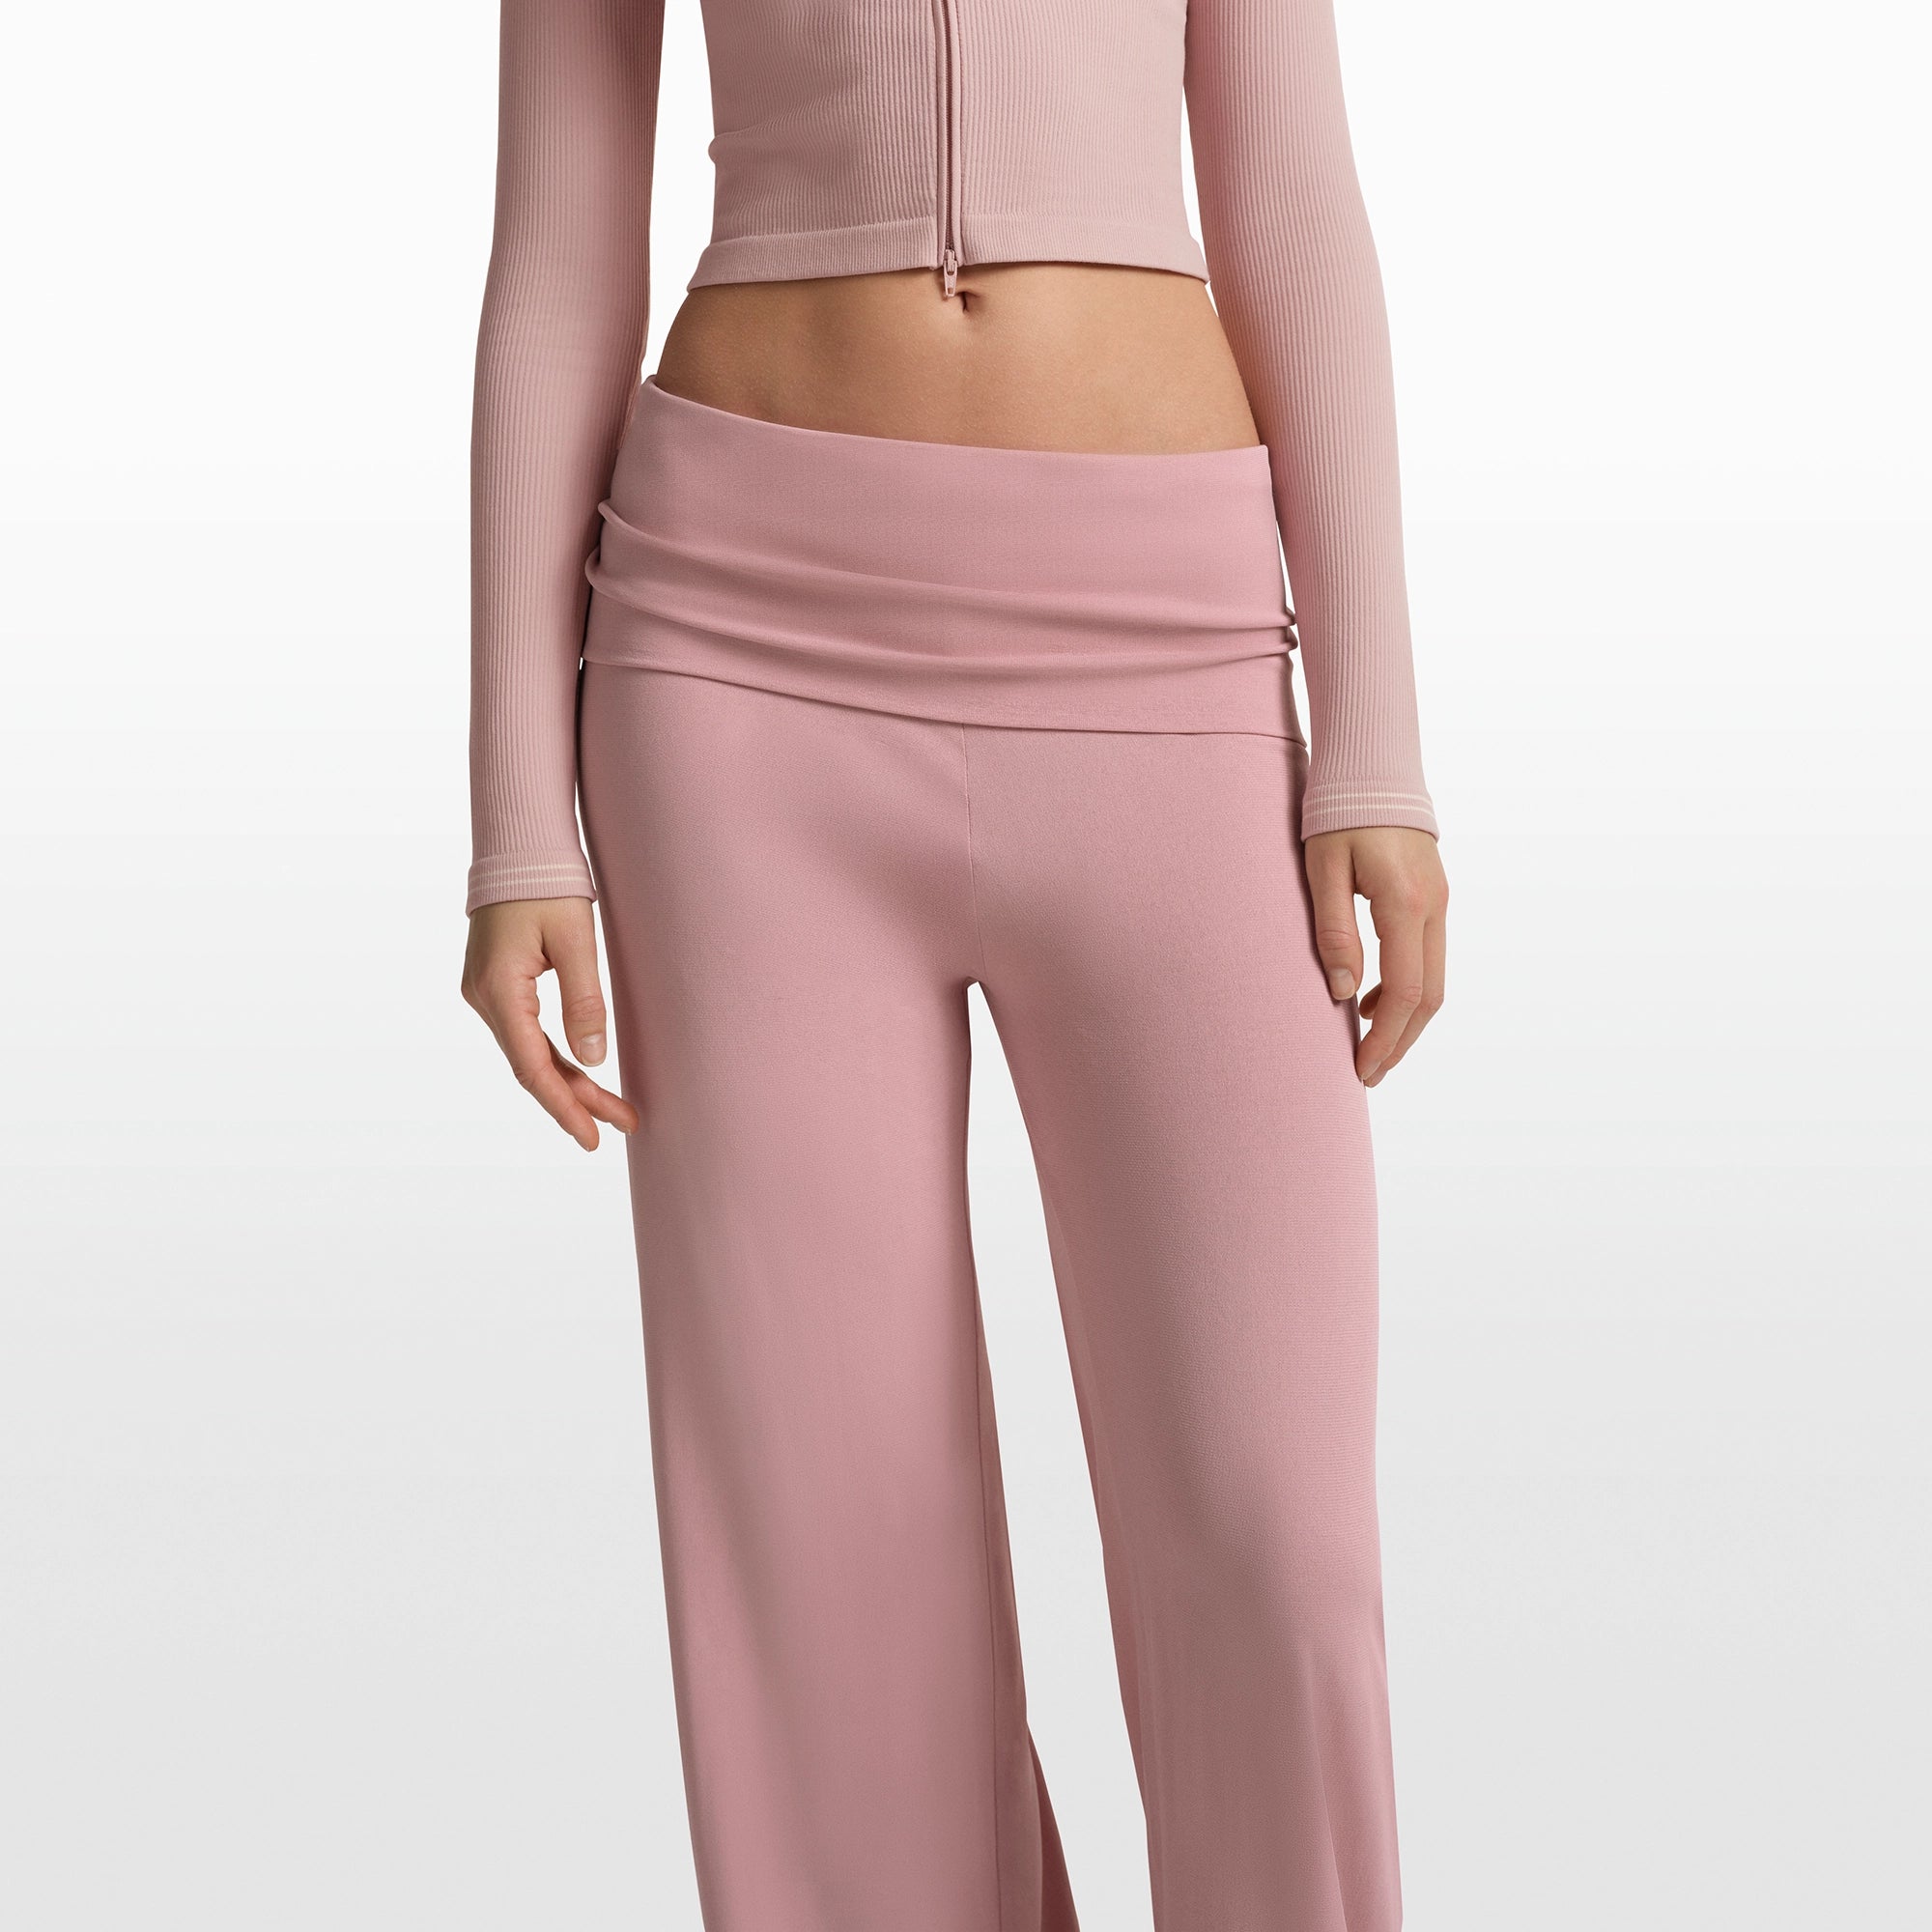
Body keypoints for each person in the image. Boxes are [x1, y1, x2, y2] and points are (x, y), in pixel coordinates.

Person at [459, 0, 1448, 1921]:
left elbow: (1293, 201)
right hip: (735, 661)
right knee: (836, 1570)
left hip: (1163, 651)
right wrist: (517, 823)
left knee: (1276, 1539)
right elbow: (559, 253)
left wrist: (1375, 751)